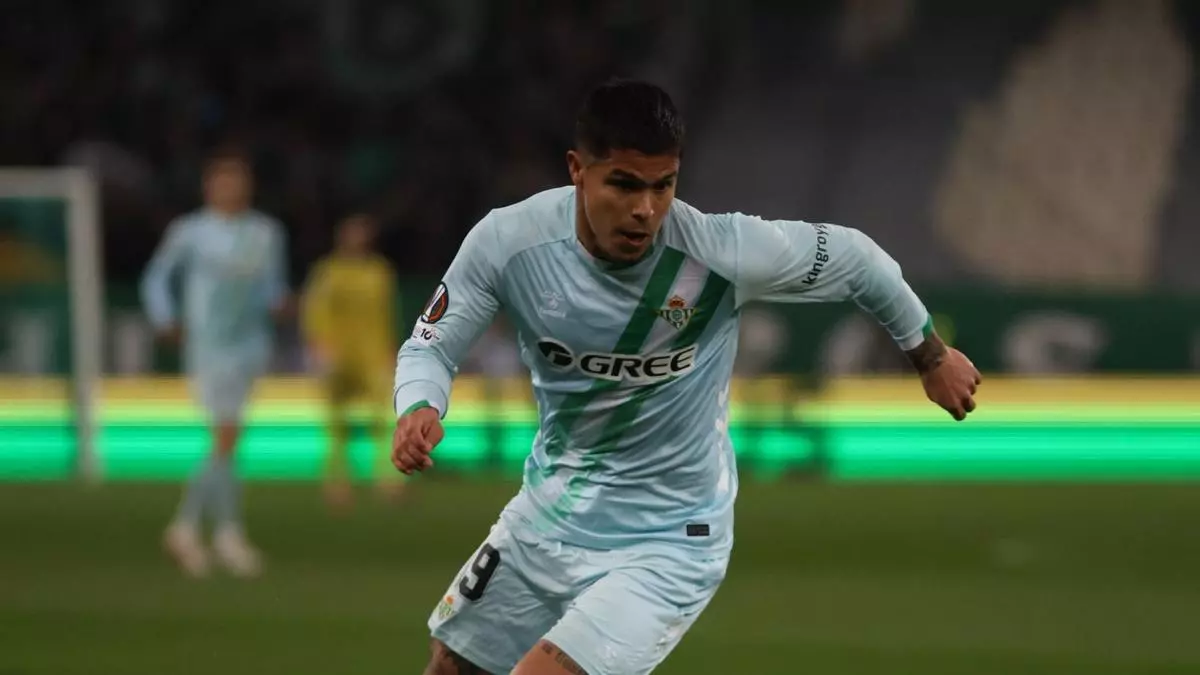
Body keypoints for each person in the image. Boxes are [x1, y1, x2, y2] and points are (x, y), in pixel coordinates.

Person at [392, 79, 981, 675]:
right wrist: (419, 405)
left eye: (663, 185)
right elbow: (429, 346)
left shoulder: (718, 251)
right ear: (577, 171)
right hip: (545, 518)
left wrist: (930, 356)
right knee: (450, 668)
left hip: (668, 541)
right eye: (624, 184)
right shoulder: (509, 242)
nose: (645, 209)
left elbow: (857, 259)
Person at [141, 147, 290, 578]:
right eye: (223, 181)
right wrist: (164, 318)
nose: (230, 188)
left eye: (237, 181)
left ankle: (223, 533)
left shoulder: (265, 232)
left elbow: (271, 287)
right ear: (208, 187)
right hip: (208, 344)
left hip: (252, 344)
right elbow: (156, 276)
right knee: (226, 435)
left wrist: (281, 304)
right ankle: (191, 527)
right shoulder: (190, 231)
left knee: (230, 438)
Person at [301, 213, 403, 510]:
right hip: (337, 354)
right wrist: (320, 346)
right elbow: (315, 311)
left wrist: (391, 349)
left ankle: (388, 479)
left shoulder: (379, 271)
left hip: (372, 354)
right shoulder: (328, 271)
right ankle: (337, 482)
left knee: (383, 420)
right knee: (336, 422)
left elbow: (388, 313)